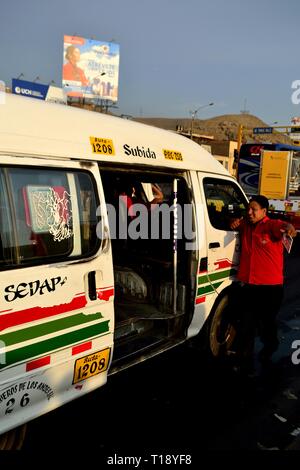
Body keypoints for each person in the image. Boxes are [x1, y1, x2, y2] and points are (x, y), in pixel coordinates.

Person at [229, 195, 297, 373]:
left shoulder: (270, 226)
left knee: (266, 324)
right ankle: (243, 359)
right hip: (249, 286)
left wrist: (289, 227)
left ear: (264, 211)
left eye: (254, 209)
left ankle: (270, 346)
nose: (249, 212)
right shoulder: (246, 225)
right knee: (246, 323)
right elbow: (234, 223)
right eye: (248, 209)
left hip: (270, 288)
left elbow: (283, 226)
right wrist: (234, 223)